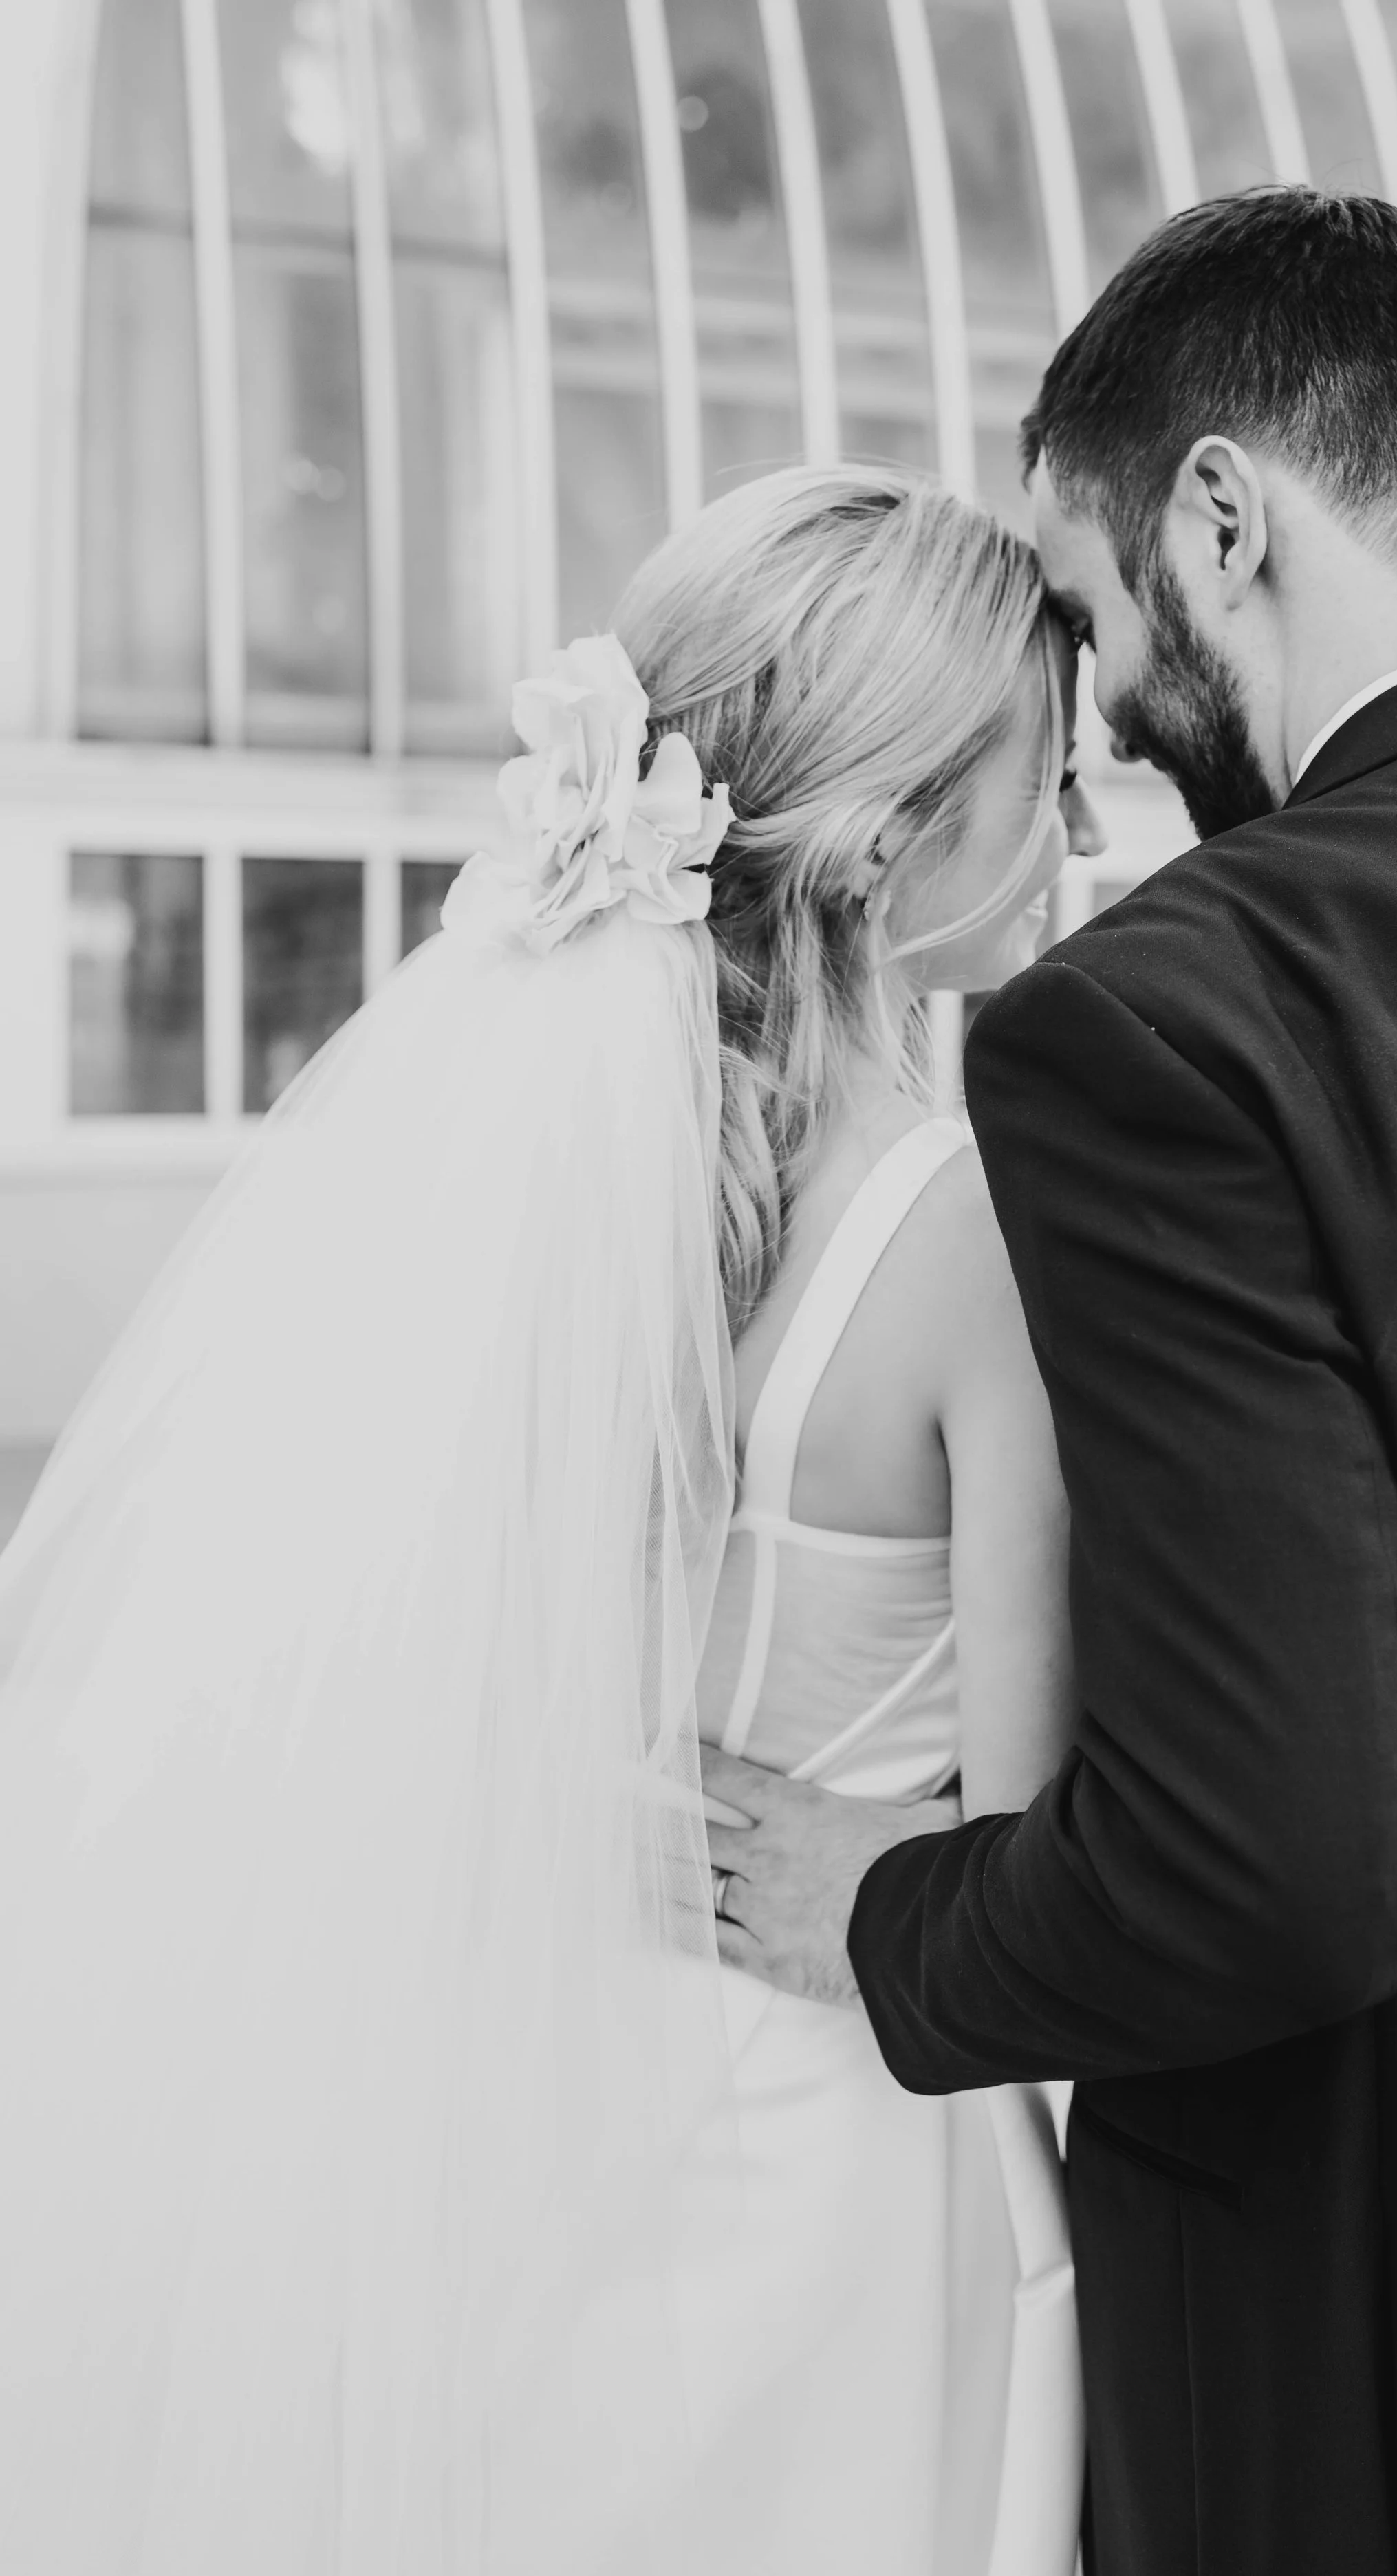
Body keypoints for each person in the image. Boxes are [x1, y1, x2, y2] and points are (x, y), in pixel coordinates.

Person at [702, 191, 1397, 2575]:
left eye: (1077, 607)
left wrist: (892, 1915)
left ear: (1221, 517)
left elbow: (1274, 1865)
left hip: (1393, 2381)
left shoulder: (1177, 1022)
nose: (1093, 710)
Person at [0, 464, 1105, 2575]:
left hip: (527, 2094)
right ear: (883, 843)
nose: (1070, 842)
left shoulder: (527, 1199)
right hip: (839, 2139)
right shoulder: (965, 1232)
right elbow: (1032, 1843)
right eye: (1041, 788)